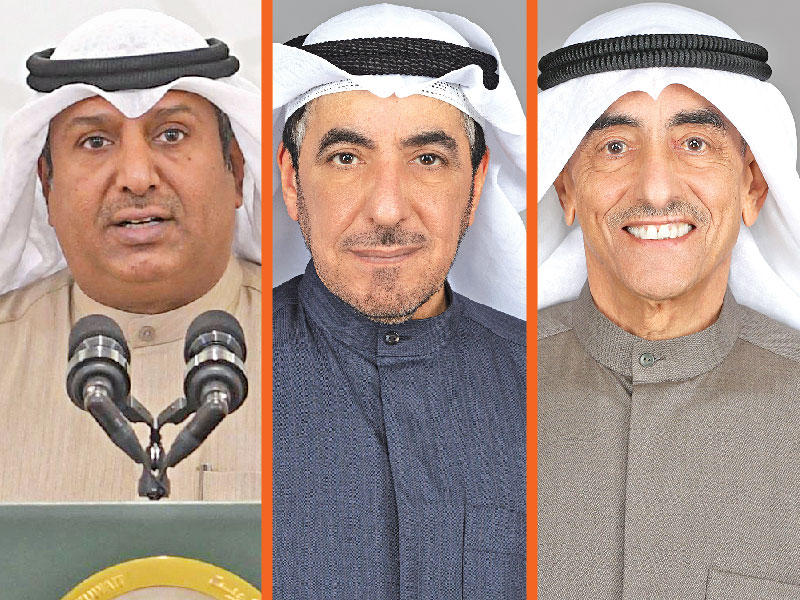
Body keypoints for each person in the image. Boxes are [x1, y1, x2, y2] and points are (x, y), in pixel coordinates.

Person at [537, 4, 800, 598]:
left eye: (695, 143)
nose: (655, 189)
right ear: (566, 187)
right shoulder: (481, 393)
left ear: (752, 185)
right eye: (615, 147)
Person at [272, 5, 526, 598]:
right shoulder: (232, 376)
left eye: (427, 159)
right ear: (291, 180)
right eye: (346, 158)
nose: (387, 210)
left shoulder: (546, 384)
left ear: (475, 183)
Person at [0, 9, 262, 502]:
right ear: (47, 186)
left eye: (172, 134)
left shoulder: (328, 355)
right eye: (95, 141)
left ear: (235, 169)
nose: (137, 178)